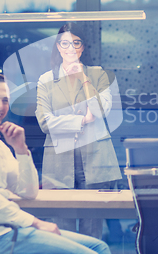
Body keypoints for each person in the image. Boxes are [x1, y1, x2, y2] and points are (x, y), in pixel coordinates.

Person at [0, 72, 113, 254]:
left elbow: (28, 191)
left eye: (5, 100)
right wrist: (36, 223)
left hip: (8, 232)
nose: (0, 107)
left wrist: (20, 149)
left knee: (99, 248)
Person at [35, 23, 121, 238]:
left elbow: (101, 110)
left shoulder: (99, 75)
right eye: (65, 43)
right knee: (62, 229)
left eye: (76, 42)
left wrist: (84, 79)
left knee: (92, 229)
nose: (71, 48)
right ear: (58, 47)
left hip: (96, 159)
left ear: (83, 47)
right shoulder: (46, 79)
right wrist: (82, 120)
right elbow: (45, 122)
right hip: (59, 160)